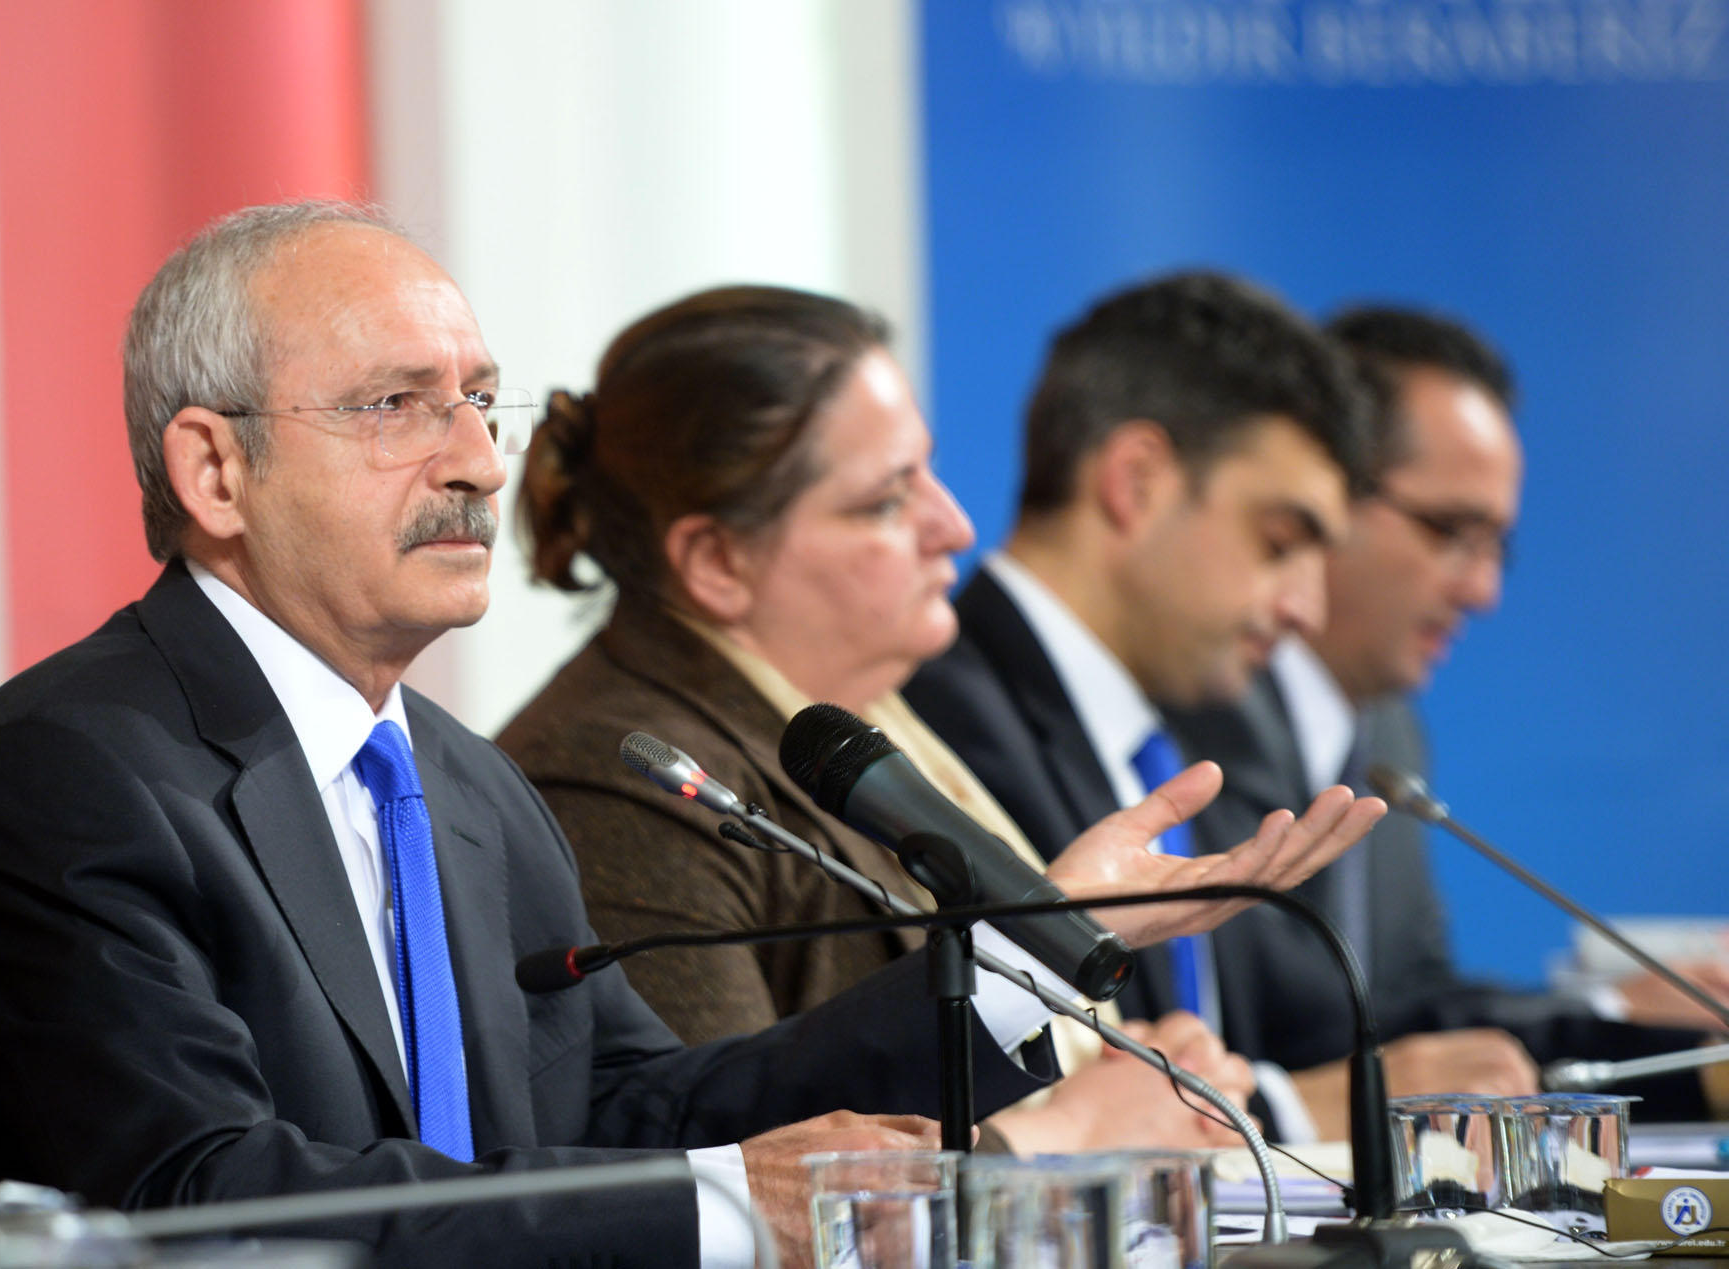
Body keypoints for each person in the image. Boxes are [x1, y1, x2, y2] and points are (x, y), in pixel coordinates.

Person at [0, 201, 1376, 1268]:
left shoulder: (461, 784)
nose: (478, 462)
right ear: (214, 470)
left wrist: (1028, 946)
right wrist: (724, 1206)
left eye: (481, 402)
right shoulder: (80, 770)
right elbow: (197, 1199)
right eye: (398, 406)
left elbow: (624, 1104)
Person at [495, 284, 1381, 1155]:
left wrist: (1130, 1064)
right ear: (717, 560)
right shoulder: (619, 775)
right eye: (886, 501)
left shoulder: (876, 724)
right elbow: (725, 1162)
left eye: (928, 473)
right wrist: (1064, 1135)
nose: (955, 525)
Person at [1167, 305, 1727, 1125]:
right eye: (1451, 532)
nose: (1483, 590)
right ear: (1329, 491)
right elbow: (1300, 1031)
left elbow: (1408, 1006)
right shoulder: (1187, 709)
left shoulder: (1386, 731)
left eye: (1497, 546)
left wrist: (1627, 1020)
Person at [901, 271, 1387, 1140]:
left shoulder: (1188, 738)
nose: (1306, 610)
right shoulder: (943, 719)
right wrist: (1281, 1109)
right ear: (1136, 481)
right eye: (1279, 542)